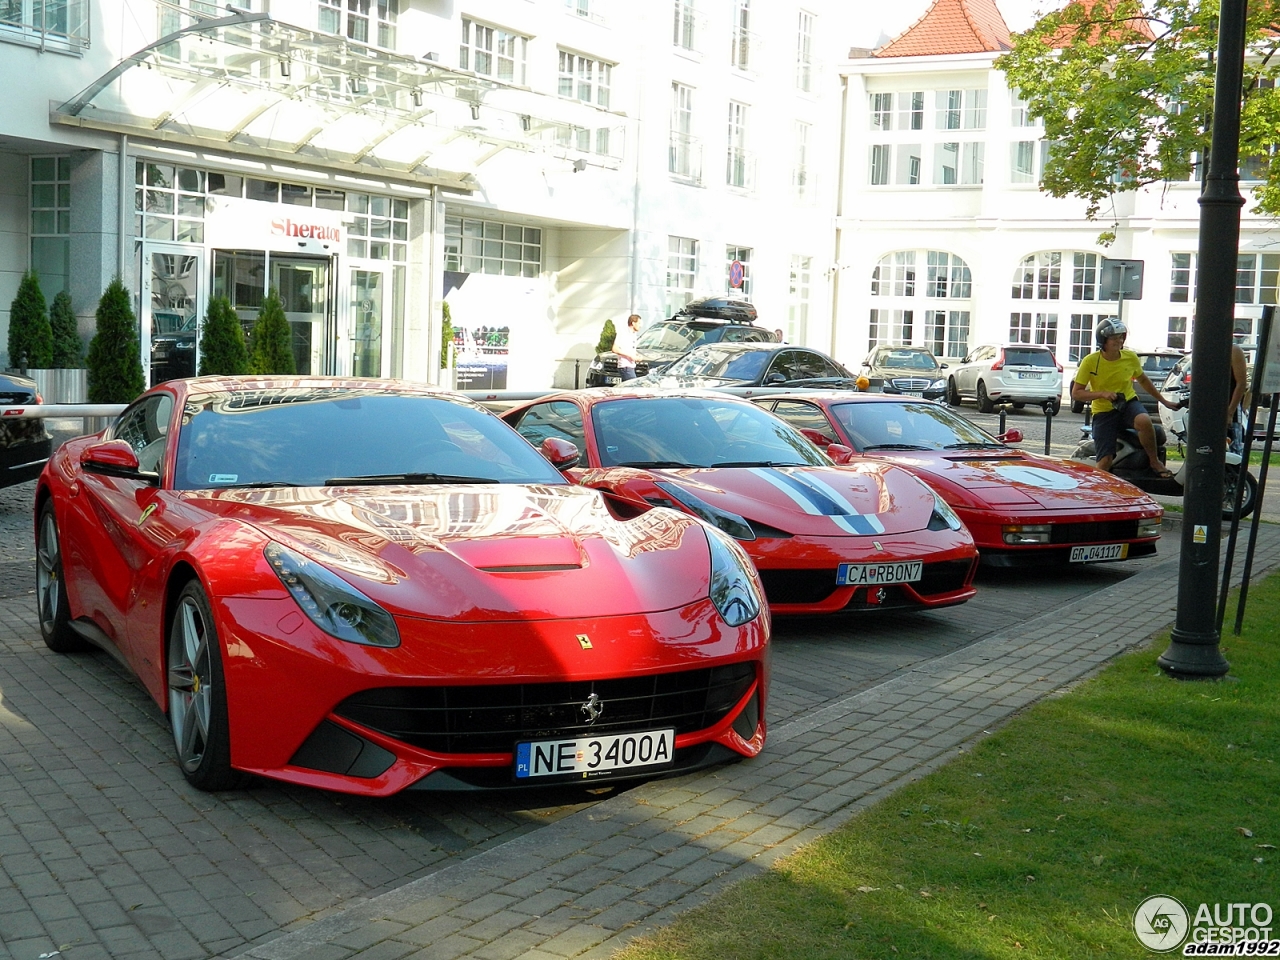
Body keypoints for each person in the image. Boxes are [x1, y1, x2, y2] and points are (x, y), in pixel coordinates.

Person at [1072, 318, 1179, 475]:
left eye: (1121, 337)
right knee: (1104, 461)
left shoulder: (1130, 357)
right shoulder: (1090, 361)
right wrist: (1102, 394)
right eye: (1114, 338)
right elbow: (1076, 393)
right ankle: (1100, 492)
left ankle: (1154, 461)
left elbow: (1143, 380)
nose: (1119, 340)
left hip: (1127, 403)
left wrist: (1163, 401)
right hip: (1104, 411)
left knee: (1144, 420)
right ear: (1103, 340)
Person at [1227, 342, 1249, 455]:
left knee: (1233, 450)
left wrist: (1230, 412)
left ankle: (1235, 471)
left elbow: (1241, 383)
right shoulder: (1205, 349)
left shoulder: (1234, 350)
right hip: (1209, 410)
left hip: (1230, 409)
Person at [614, 314, 641, 381]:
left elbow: (629, 348)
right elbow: (615, 349)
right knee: (633, 387)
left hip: (631, 366)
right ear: (633, 323)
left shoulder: (633, 334)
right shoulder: (624, 333)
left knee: (627, 389)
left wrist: (637, 355)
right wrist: (631, 356)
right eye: (639, 323)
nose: (641, 326)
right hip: (625, 367)